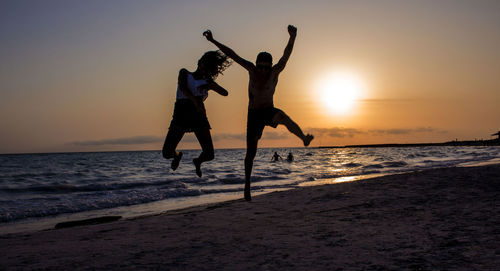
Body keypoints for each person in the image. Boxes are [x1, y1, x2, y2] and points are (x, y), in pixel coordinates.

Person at [204, 25, 314, 201]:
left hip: (269, 110)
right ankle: (247, 186)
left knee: (284, 118)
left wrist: (292, 36)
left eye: (266, 67)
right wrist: (212, 40)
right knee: (251, 154)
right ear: (256, 65)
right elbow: (232, 54)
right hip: (254, 114)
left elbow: (286, 55)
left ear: (270, 66)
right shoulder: (251, 70)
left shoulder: (275, 71)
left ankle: (304, 138)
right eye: (260, 66)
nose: (263, 70)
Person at [162, 51, 231, 177]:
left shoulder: (207, 81)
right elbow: (183, 88)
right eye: (203, 66)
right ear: (199, 63)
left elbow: (225, 93)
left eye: (208, 69)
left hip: (198, 116)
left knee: (209, 154)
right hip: (181, 114)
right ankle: (177, 156)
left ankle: (198, 161)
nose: (204, 70)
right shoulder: (185, 73)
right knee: (166, 153)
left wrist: (210, 85)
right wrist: (195, 101)